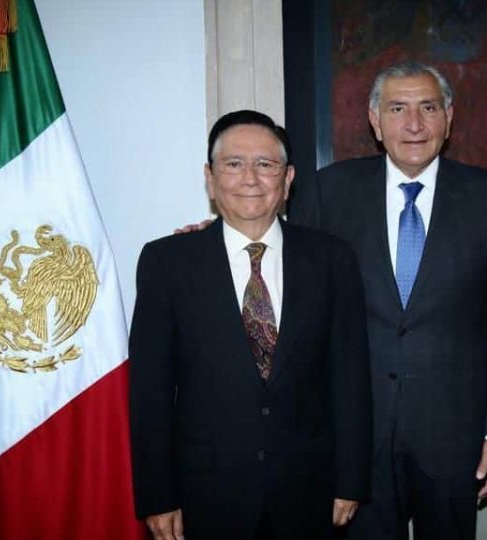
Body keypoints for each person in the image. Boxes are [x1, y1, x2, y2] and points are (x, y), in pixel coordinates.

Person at [291, 61, 487, 540]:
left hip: (455, 440)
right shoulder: (329, 191)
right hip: (357, 440)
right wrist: (220, 240)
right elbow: (291, 291)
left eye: (428, 108)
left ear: (449, 118)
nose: (414, 124)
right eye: (398, 109)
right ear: (375, 121)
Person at [128, 110, 372, 540]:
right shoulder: (167, 263)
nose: (250, 178)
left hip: (310, 492)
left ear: (288, 178)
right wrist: (157, 494)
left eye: (265, 164)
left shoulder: (332, 260)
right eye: (234, 164)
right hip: (204, 494)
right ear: (210, 177)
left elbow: (350, 379)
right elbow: (150, 390)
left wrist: (350, 481)